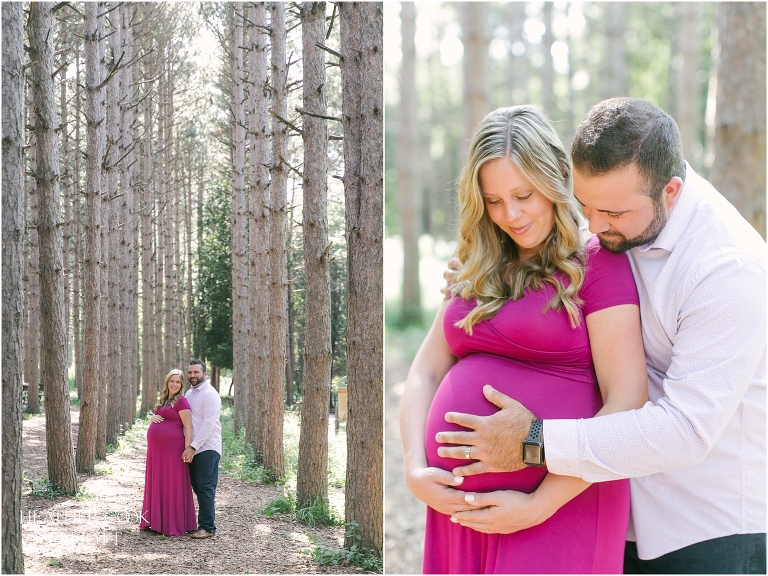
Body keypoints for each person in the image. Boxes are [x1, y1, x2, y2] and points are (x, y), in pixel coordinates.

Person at [436, 97, 766, 574]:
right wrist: (482, 272)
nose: (594, 226)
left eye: (610, 213)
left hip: (708, 532)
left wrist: (534, 442)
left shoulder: (728, 270)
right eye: (584, 205)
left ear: (670, 192)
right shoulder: (622, 222)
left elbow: (685, 431)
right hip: (620, 511)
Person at [400, 105, 649, 574]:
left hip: (560, 506)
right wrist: (415, 468)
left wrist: (540, 503)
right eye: (493, 200)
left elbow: (628, 400)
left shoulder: (598, 263)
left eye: (523, 194)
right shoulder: (475, 263)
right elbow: (425, 371)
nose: (510, 214)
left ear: (556, 179)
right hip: (460, 512)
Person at [139, 368, 198, 536]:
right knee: (158, 481)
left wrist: (188, 449)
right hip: (157, 451)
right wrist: (152, 418)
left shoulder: (182, 401)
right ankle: (155, 521)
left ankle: (171, 523)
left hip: (172, 450)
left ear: (181, 385)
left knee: (172, 482)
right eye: (172, 381)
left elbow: (188, 426)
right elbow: (160, 416)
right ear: (167, 383)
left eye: (178, 382)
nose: (174, 384)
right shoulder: (165, 399)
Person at [183, 359, 222, 539]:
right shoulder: (190, 393)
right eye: (190, 372)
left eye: (196, 372)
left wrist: (192, 447)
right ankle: (201, 524)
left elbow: (208, 424)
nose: (192, 375)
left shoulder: (209, 394)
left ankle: (207, 527)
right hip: (193, 447)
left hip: (207, 448)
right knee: (198, 487)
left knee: (205, 487)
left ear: (204, 374)